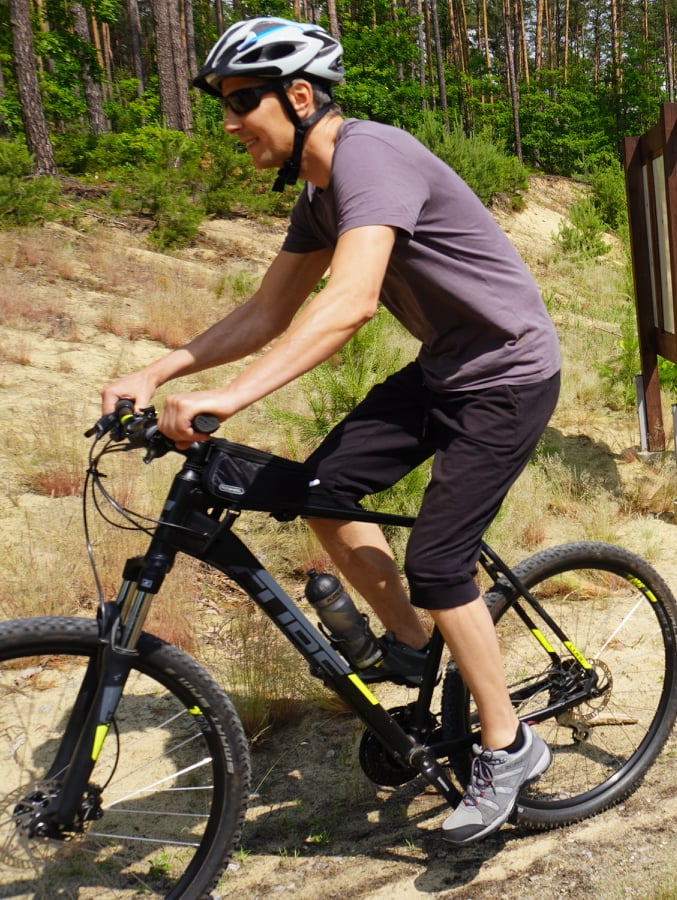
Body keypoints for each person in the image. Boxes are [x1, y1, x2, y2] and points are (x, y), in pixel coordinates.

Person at [100, 17, 560, 846]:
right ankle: (417, 651)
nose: (231, 122)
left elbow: (346, 305)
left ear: (300, 96)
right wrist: (158, 372)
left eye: (243, 101)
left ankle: (509, 744)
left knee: (440, 561)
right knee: (322, 489)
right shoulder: (319, 193)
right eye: (226, 105)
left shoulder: (369, 159)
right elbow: (269, 310)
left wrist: (229, 400)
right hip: (446, 366)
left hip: (508, 375)